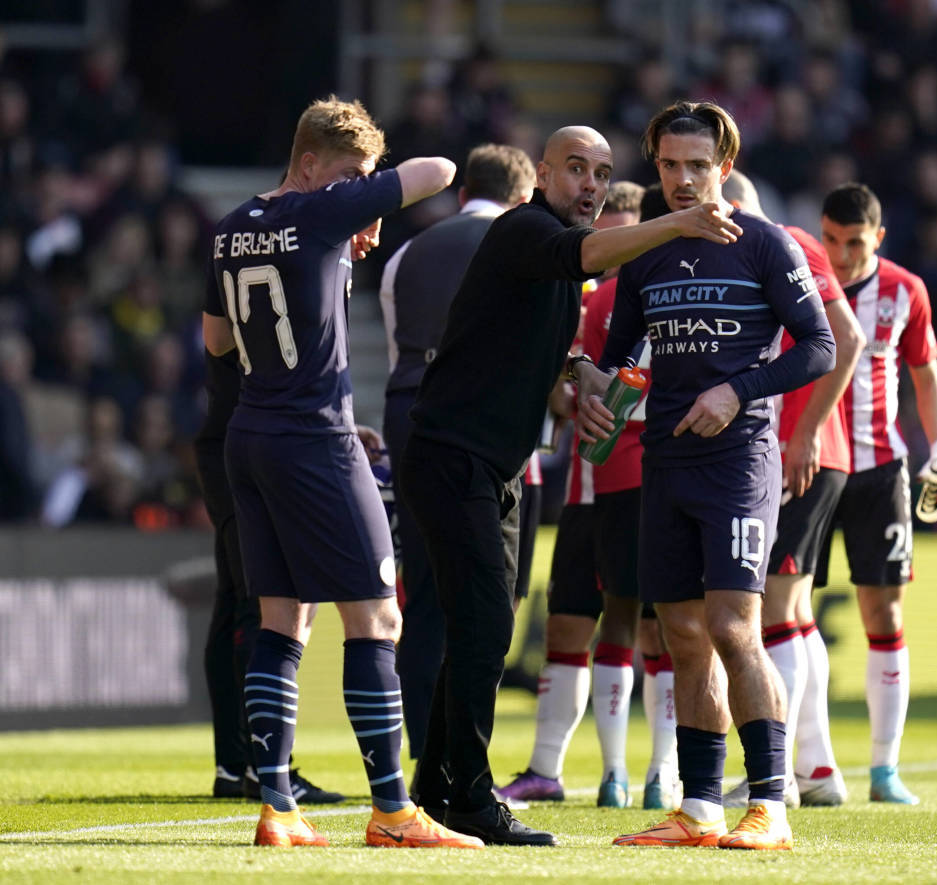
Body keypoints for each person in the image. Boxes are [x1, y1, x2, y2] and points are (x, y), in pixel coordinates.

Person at [398, 124, 743, 846]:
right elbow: (582, 253)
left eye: (602, 172)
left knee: (475, 624)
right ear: (542, 177)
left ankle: (436, 786)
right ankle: (467, 794)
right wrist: (675, 221)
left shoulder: (554, 271)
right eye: (576, 169)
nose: (589, 184)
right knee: (486, 624)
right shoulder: (528, 229)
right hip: (453, 456)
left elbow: (531, 344)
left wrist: (574, 376)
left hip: (481, 464)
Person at [201, 95, 482, 850]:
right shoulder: (320, 214)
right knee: (377, 618)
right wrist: (362, 199)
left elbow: (218, 340)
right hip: (312, 437)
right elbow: (441, 169)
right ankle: (393, 811)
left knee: (280, 621)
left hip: (250, 433)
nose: (358, 188)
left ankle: (277, 806)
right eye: (351, 173)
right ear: (310, 162)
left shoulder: (229, 230)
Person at [578, 100, 835, 851]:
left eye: (698, 165)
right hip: (665, 460)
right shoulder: (645, 253)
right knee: (682, 634)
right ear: (654, 167)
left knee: (731, 627)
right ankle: (698, 808)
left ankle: (771, 806)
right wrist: (583, 387)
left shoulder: (764, 243)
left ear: (725, 167)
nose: (684, 179)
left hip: (738, 461)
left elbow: (818, 347)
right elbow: (621, 358)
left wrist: (738, 391)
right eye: (670, 165)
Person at [496, 181, 679, 811]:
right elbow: (560, 392)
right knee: (582, 625)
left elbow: (566, 390)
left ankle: (634, 773)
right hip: (591, 490)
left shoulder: (606, 303)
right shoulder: (597, 299)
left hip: (627, 480)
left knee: (643, 628)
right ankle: (560, 770)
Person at [378, 143, 536, 761]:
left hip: (410, 419)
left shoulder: (408, 254)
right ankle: (465, 757)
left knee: (423, 594)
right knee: (489, 599)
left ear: (465, 193)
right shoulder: (526, 244)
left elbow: (397, 355)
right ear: (523, 198)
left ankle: (423, 753)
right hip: (490, 426)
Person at [716, 171, 866, 810]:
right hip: (809, 450)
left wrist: (803, 434)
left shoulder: (783, 243)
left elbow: (848, 339)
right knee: (795, 614)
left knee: (773, 610)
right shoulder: (786, 243)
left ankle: (775, 774)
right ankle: (818, 768)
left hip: (800, 451)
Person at [816, 182, 937, 805]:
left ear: (878, 237)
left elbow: (928, 377)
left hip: (879, 470)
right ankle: (804, 764)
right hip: (812, 463)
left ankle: (884, 769)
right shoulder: (801, 276)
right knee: (782, 613)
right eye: (829, 240)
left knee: (886, 613)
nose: (840, 255)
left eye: (852, 243)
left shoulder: (905, 291)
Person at [195, 343, 344, 806]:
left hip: (227, 434)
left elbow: (215, 336)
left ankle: (234, 764)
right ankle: (264, 768)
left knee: (233, 602)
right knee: (258, 604)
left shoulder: (222, 266)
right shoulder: (288, 267)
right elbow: (224, 339)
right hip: (259, 434)